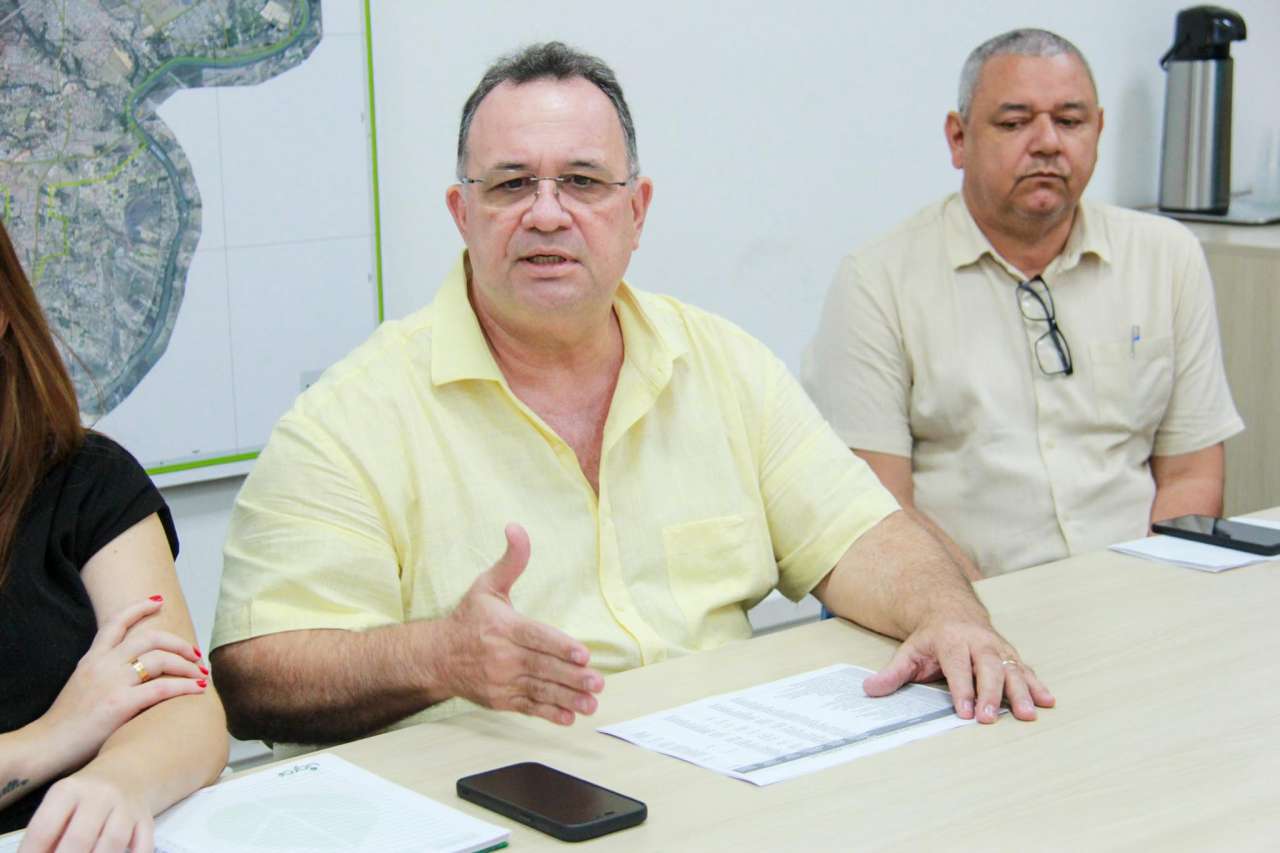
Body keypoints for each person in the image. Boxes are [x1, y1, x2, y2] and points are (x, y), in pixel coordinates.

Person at [209, 41, 1053, 758]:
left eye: (583, 181)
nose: (547, 214)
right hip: (493, 798)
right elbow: (254, 676)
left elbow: (867, 537)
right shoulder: (347, 419)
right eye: (511, 185)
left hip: (725, 782)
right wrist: (439, 657)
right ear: (462, 213)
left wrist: (950, 616)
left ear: (636, 211)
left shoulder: (723, 364)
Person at [803, 29, 1243, 579]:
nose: (1047, 143)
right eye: (1014, 123)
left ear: (1098, 130)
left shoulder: (1167, 257)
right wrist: (986, 611)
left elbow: (1191, 472)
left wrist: (1153, 587)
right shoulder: (877, 280)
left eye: (1070, 121)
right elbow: (882, 507)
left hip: (1140, 585)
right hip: (970, 597)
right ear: (958, 139)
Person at [0, 220, 228, 852]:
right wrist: (51, 738)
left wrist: (117, 782)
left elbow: (186, 708)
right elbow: (65, 732)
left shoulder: (87, 479)